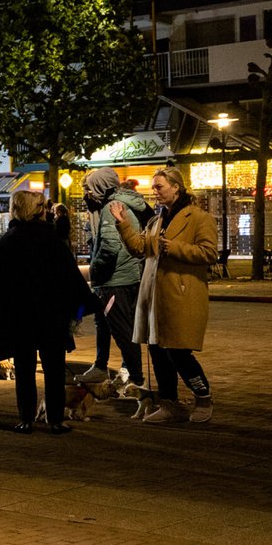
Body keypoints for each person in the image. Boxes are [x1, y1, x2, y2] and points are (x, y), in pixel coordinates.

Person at [114, 165, 218, 424]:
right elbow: (140, 248)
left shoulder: (199, 218)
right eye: (153, 187)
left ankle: (203, 397)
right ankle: (169, 403)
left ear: (176, 187)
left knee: (178, 352)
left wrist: (176, 248)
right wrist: (123, 224)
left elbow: (209, 252)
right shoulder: (157, 219)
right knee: (158, 351)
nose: (155, 192)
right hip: (154, 297)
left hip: (180, 295)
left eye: (159, 187)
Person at [0, 190, 92, 434]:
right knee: (54, 368)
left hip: (19, 316)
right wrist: (84, 304)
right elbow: (70, 278)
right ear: (39, 211)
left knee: (24, 368)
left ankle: (26, 418)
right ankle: (55, 419)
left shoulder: (8, 241)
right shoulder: (52, 240)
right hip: (51, 315)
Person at [78, 169, 149, 388]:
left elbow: (110, 247)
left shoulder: (112, 208)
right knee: (122, 328)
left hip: (115, 279)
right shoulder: (125, 203)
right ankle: (131, 376)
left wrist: (95, 270)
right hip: (127, 276)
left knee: (122, 332)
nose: (88, 194)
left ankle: (135, 380)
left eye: (91, 189)